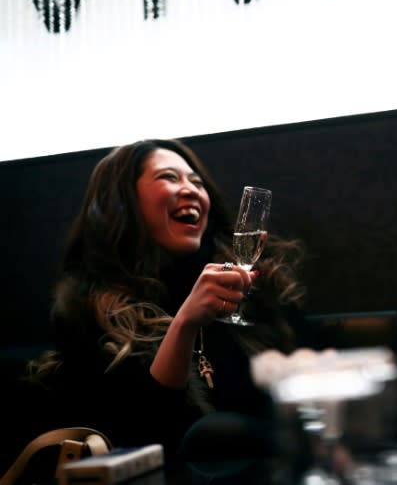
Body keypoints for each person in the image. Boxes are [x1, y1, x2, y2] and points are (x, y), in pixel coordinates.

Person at [6, 139, 311, 470]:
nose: (191, 190)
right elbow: (146, 438)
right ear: (125, 202)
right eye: (169, 177)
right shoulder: (90, 312)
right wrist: (185, 324)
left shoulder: (254, 290)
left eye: (197, 182)